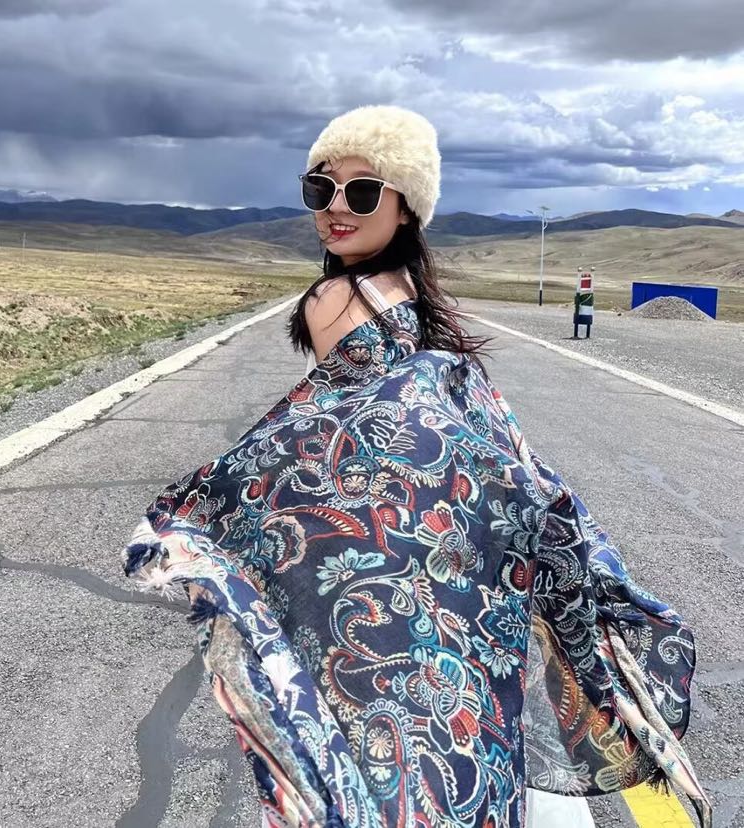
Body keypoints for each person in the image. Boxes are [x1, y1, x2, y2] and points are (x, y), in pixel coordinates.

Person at [122, 104, 711, 828]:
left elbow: (351, 435)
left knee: (383, 733)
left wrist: (223, 505)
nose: (336, 208)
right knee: (473, 709)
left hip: (390, 556)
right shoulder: (414, 294)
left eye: (363, 191)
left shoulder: (333, 297)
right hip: (455, 550)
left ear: (405, 207)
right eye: (321, 188)